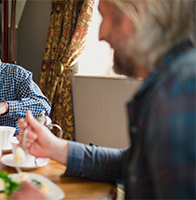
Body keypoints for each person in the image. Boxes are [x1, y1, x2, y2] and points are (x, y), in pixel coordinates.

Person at [12, 0, 196, 199]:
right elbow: (133, 164)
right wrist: (56, 147)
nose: (100, 34)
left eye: (105, 16)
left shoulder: (178, 91)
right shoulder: (172, 81)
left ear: (136, 14)